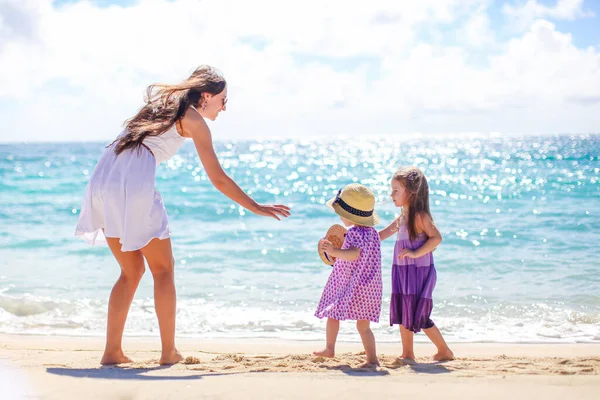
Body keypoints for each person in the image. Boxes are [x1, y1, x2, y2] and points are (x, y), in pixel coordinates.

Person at [75, 65, 290, 365]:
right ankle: (168, 353)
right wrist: (256, 206)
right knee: (163, 269)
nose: (225, 107)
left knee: (131, 271)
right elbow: (218, 178)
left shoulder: (160, 107)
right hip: (130, 184)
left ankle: (112, 352)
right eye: (223, 100)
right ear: (206, 96)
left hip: (103, 180)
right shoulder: (194, 121)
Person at [378, 166, 454, 361]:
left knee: (419, 313)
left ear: (410, 193)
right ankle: (408, 353)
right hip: (402, 271)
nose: (391, 194)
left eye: (396, 190)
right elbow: (382, 234)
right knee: (405, 309)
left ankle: (444, 351)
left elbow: (436, 238)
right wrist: (359, 239)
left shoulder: (420, 217)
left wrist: (414, 252)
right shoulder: (403, 217)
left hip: (418, 272)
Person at [314, 183, 382, 366]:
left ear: (347, 214)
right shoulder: (372, 233)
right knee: (363, 326)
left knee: (333, 313)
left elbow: (354, 254)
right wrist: (395, 225)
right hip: (370, 286)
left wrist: (334, 251)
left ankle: (329, 348)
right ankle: (372, 359)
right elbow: (374, 243)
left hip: (352, 285)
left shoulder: (352, 233)